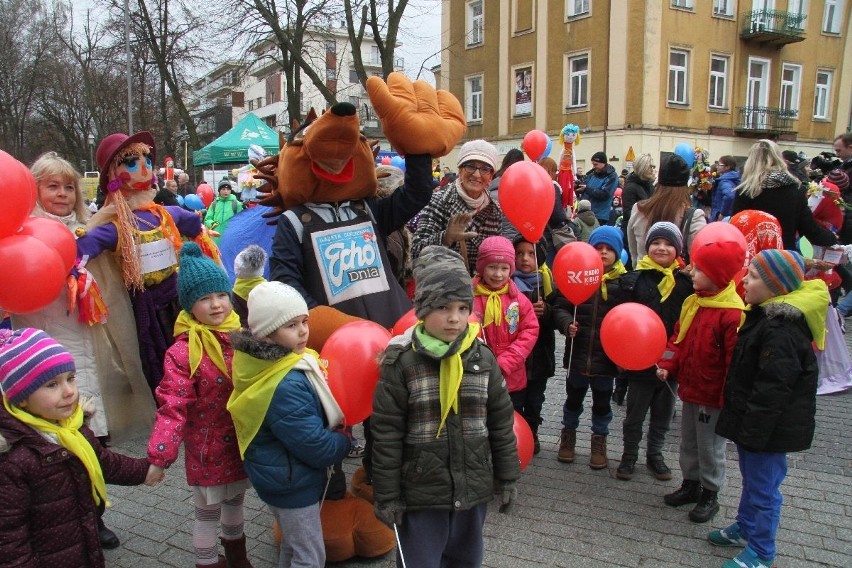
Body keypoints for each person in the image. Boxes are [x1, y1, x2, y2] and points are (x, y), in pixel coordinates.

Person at [12, 152, 154, 549]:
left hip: (91, 351)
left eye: (68, 186)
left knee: (91, 440)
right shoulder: (21, 235)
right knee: (55, 445)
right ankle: (60, 522)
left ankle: (95, 516)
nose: (61, 193)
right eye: (52, 186)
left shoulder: (85, 228)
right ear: (34, 190)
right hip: (44, 353)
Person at [371, 245, 520, 568]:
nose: (455, 318)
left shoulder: (482, 358)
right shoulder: (403, 363)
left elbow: (500, 422)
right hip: (422, 492)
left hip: (472, 486)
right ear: (423, 310)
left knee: (465, 560)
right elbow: (387, 434)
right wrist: (386, 495)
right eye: (443, 307)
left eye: (463, 308)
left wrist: (507, 476)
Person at [0, 328, 161, 568]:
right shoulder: (14, 460)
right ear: (21, 397)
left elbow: (103, 461)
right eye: (52, 384)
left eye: (70, 378)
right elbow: (9, 537)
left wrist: (143, 470)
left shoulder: (73, 429)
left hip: (83, 548)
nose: (68, 391)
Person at [710, 250, 829, 568]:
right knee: (752, 480)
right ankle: (745, 527)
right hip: (756, 424)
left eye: (753, 276)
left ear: (775, 286)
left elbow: (773, 389)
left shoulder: (780, 330)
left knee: (764, 489)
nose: (745, 280)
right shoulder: (764, 316)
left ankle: (762, 552)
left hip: (769, 430)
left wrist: (754, 431)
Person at [76, 131, 215, 391]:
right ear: (113, 175)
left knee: (192, 348)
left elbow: (190, 221)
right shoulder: (115, 226)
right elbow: (85, 248)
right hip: (144, 303)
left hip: (178, 296)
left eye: (147, 159)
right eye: (130, 161)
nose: (143, 166)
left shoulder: (163, 214)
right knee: (156, 356)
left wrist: (201, 236)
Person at [228, 281, 351, 568]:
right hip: (292, 483)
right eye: (291, 325)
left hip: (280, 477)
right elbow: (315, 445)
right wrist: (345, 440)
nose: (303, 331)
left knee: (292, 547)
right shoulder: (285, 383)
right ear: (267, 335)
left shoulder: (275, 364)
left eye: (304, 321)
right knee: (310, 557)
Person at [146, 243, 252, 568]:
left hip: (241, 445)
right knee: (207, 514)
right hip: (207, 450)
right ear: (190, 305)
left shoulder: (241, 336)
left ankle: (238, 558)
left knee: (236, 502)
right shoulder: (182, 353)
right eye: (205, 299)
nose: (216, 304)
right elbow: (172, 405)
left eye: (220, 295)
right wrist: (160, 456)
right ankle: (206, 563)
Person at [656, 231, 746, 524]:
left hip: (713, 396)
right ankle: (690, 484)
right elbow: (677, 341)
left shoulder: (730, 315)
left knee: (710, 447)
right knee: (689, 443)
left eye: (699, 269)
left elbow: (734, 364)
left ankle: (710, 493)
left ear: (717, 276)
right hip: (692, 389)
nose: (691, 272)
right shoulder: (695, 303)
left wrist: (729, 400)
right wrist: (667, 364)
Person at [616, 222, 694, 481]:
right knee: (634, 415)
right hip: (641, 363)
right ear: (647, 247)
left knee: (663, 414)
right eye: (656, 243)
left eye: (668, 244)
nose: (662, 248)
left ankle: (655, 455)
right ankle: (629, 456)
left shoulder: (686, 283)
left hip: (671, 362)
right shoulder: (634, 280)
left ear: (678, 250)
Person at [552, 226, 627, 469]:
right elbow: (560, 307)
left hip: (606, 360)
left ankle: (599, 440)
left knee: (602, 403)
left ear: (618, 253)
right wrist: (566, 324)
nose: (603, 253)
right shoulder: (578, 275)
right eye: (598, 248)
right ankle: (568, 436)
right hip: (578, 355)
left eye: (609, 249)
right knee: (573, 399)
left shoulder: (623, 285)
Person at [412, 139, 503, 274]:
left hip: (480, 291)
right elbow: (415, 253)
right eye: (470, 166)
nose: (477, 174)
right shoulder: (437, 202)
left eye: (485, 169)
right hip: (443, 288)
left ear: (490, 177)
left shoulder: (494, 210)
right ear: (460, 169)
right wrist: (445, 238)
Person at [472, 236, 539, 414]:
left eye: (504, 268)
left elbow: (530, 331)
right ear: (481, 267)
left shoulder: (519, 300)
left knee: (510, 421)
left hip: (511, 378)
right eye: (492, 267)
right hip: (477, 375)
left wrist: (506, 361)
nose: (498, 274)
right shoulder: (469, 298)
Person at [732, 139, 836, 251]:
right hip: (784, 256)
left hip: (754, 254)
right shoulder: (795, 188)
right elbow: (809, 228)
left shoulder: (746, 190)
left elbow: (736, 227)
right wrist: (832, 238)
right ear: (779, 158)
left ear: (751, 161)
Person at [512, 236, 557, 454]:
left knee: (535, 399)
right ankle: (516, 435)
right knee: (515, 399)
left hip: (540, 355)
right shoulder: (507, 283)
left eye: (531, 253)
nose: (525, 259)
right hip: (516, 357)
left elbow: (559, 314)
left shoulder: (547, 283)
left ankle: (532, 433)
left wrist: (547, 311)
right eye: (519, 253)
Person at [626, 154, 707, 264]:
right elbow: (699, 258)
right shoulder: (694, 216)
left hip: (643, 277)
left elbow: (634, 254)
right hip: (677, 279)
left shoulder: (639, 209)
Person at [621, 153, 656, 268]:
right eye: (650, 166)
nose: (653, 169)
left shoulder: (650, 185)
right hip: (634, 231)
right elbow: (629, 212)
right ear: (642, 167)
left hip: (648, 228)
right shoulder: (631, 187)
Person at [584, 151, 619, 225]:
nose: (593, 167)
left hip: (600, 215)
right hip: (586, 213)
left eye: (595, 164)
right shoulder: (592, 174)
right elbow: (584, 186)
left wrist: (586, 189)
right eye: (593, 164)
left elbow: (605, 194)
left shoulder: (612, 176)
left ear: (603, 163)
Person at [205, 179, 244, 244]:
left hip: (231, 236)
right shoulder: (214, 203)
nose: (226, 191)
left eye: (228, 189)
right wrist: (212, 224)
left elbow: (241, 220)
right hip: (216, 236)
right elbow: (207, 219)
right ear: (219, 190)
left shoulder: (237, 204)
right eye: (223, 189)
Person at [710, 155, 740, 222]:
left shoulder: (725, 181)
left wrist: (722, 213)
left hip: (721, 218)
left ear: (727, 167)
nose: (717, 166)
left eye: (719, 164)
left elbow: (729, 196)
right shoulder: (734, 178)